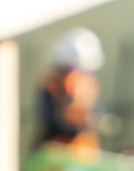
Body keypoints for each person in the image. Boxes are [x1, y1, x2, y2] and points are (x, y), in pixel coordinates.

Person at [38, 27, 104, 155]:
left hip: (85, 150)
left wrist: (91, 120)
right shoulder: (52, 84)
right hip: (57, 150)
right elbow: (51, 122)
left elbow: (99, 112)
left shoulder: (90, 84)